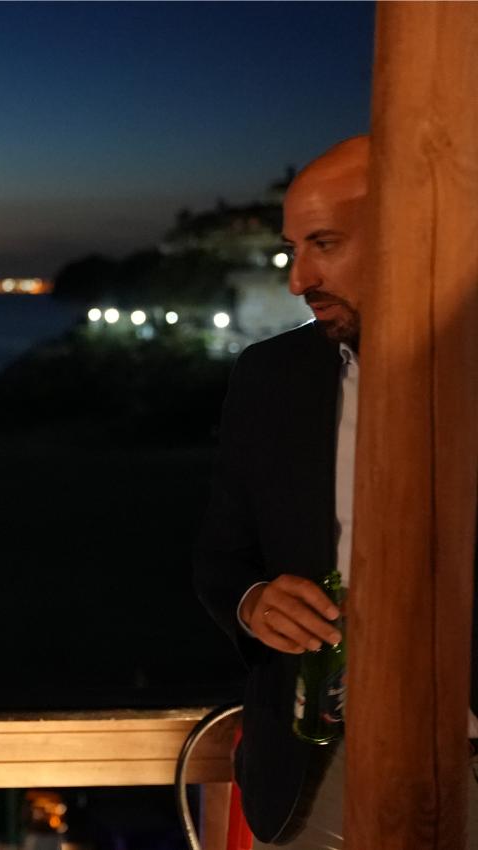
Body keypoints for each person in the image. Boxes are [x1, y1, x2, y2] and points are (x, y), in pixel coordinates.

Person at [193, 135, 478, 848]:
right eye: (293, 248)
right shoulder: (271, 378)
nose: (298, 279)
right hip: (319, 773)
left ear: (416, 232)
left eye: (324, 243)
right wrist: (254, 602)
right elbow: (222, 556)